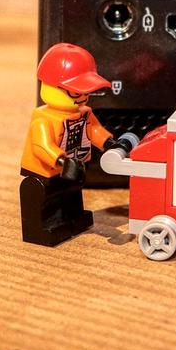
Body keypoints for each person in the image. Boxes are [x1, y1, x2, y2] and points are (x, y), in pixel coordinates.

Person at [19, 43, 130, 246]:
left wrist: (109, 143)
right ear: (51, 87)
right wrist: (63, 161)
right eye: (75, 92)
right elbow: (42, 147)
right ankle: (44, 227)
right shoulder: (44, 119)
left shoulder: (83, 113)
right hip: (45, 173)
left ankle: (72, 218)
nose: (82, 98)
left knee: (71, 193)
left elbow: (94, 131)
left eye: (85, 92)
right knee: (44, 197)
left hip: (73, 167)